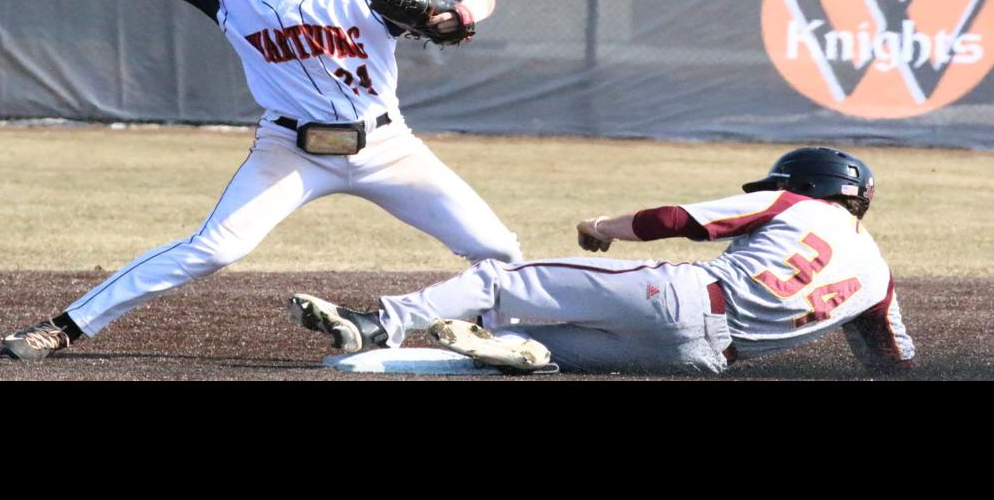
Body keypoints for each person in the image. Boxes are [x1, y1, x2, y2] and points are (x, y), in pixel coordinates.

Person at [0, 0, 522, 361]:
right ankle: (65, 325)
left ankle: (495, 336)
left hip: (388, 147)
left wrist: (465, 13)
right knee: (213, 249)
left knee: (498, 250)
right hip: (290, 150)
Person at [288, 147, 917, 375]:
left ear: (806, 183)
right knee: (533, 345)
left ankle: (379, 323)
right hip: (701, 360)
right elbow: (891, 361)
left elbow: (680, 221)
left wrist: (601, 228)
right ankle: (524, 353)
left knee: (500, 283)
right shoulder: (878, 278)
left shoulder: (792, 203)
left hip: (683, 296)